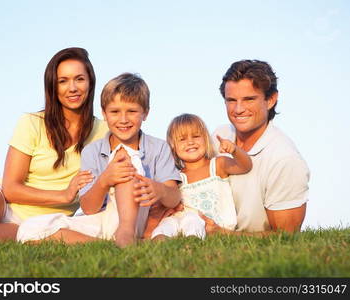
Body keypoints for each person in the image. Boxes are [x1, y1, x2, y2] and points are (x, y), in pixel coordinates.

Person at [0, 47, 109, 251]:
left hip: (34, 224)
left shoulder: (105, 132)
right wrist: (65, 195)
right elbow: (11, 188)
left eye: (79, 79)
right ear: (53, 86)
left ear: (90, 82)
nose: (72, 88)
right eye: (63, 81)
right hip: (2, 199)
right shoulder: (32, 122)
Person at [144, 59, 310, 237]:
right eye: (231, 100)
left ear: (270, 100)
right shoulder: (220, 135)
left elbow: (286, 236)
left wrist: (223, 233)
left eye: (249, 99)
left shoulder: (284, 160)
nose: (238, 109)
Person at [16, 72, 182, 247]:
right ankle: (111, 244)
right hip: (103, 221)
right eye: (115, 112)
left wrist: (160, 190)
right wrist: (104, 180)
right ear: (104, 113)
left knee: (126, 164)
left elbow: (174, 197)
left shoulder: (159, 147)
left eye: (132, 111)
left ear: (145, 113)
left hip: (141, 219)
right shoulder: (92, 151)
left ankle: (126, 234)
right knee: (28, 229)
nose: (123, 119)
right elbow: (88, 208)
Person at [150, 113, 252, 240]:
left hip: (212, 225)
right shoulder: (177, 177)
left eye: (196, 136)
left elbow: (245, 166)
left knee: (193, 218)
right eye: (182, 139)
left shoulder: (218, 164)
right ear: (173, 146)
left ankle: (192, 242)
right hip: (182, 222)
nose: (190, 142)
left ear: (206, 139)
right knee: (167, 223)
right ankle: (160, 242)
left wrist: (235, 150)